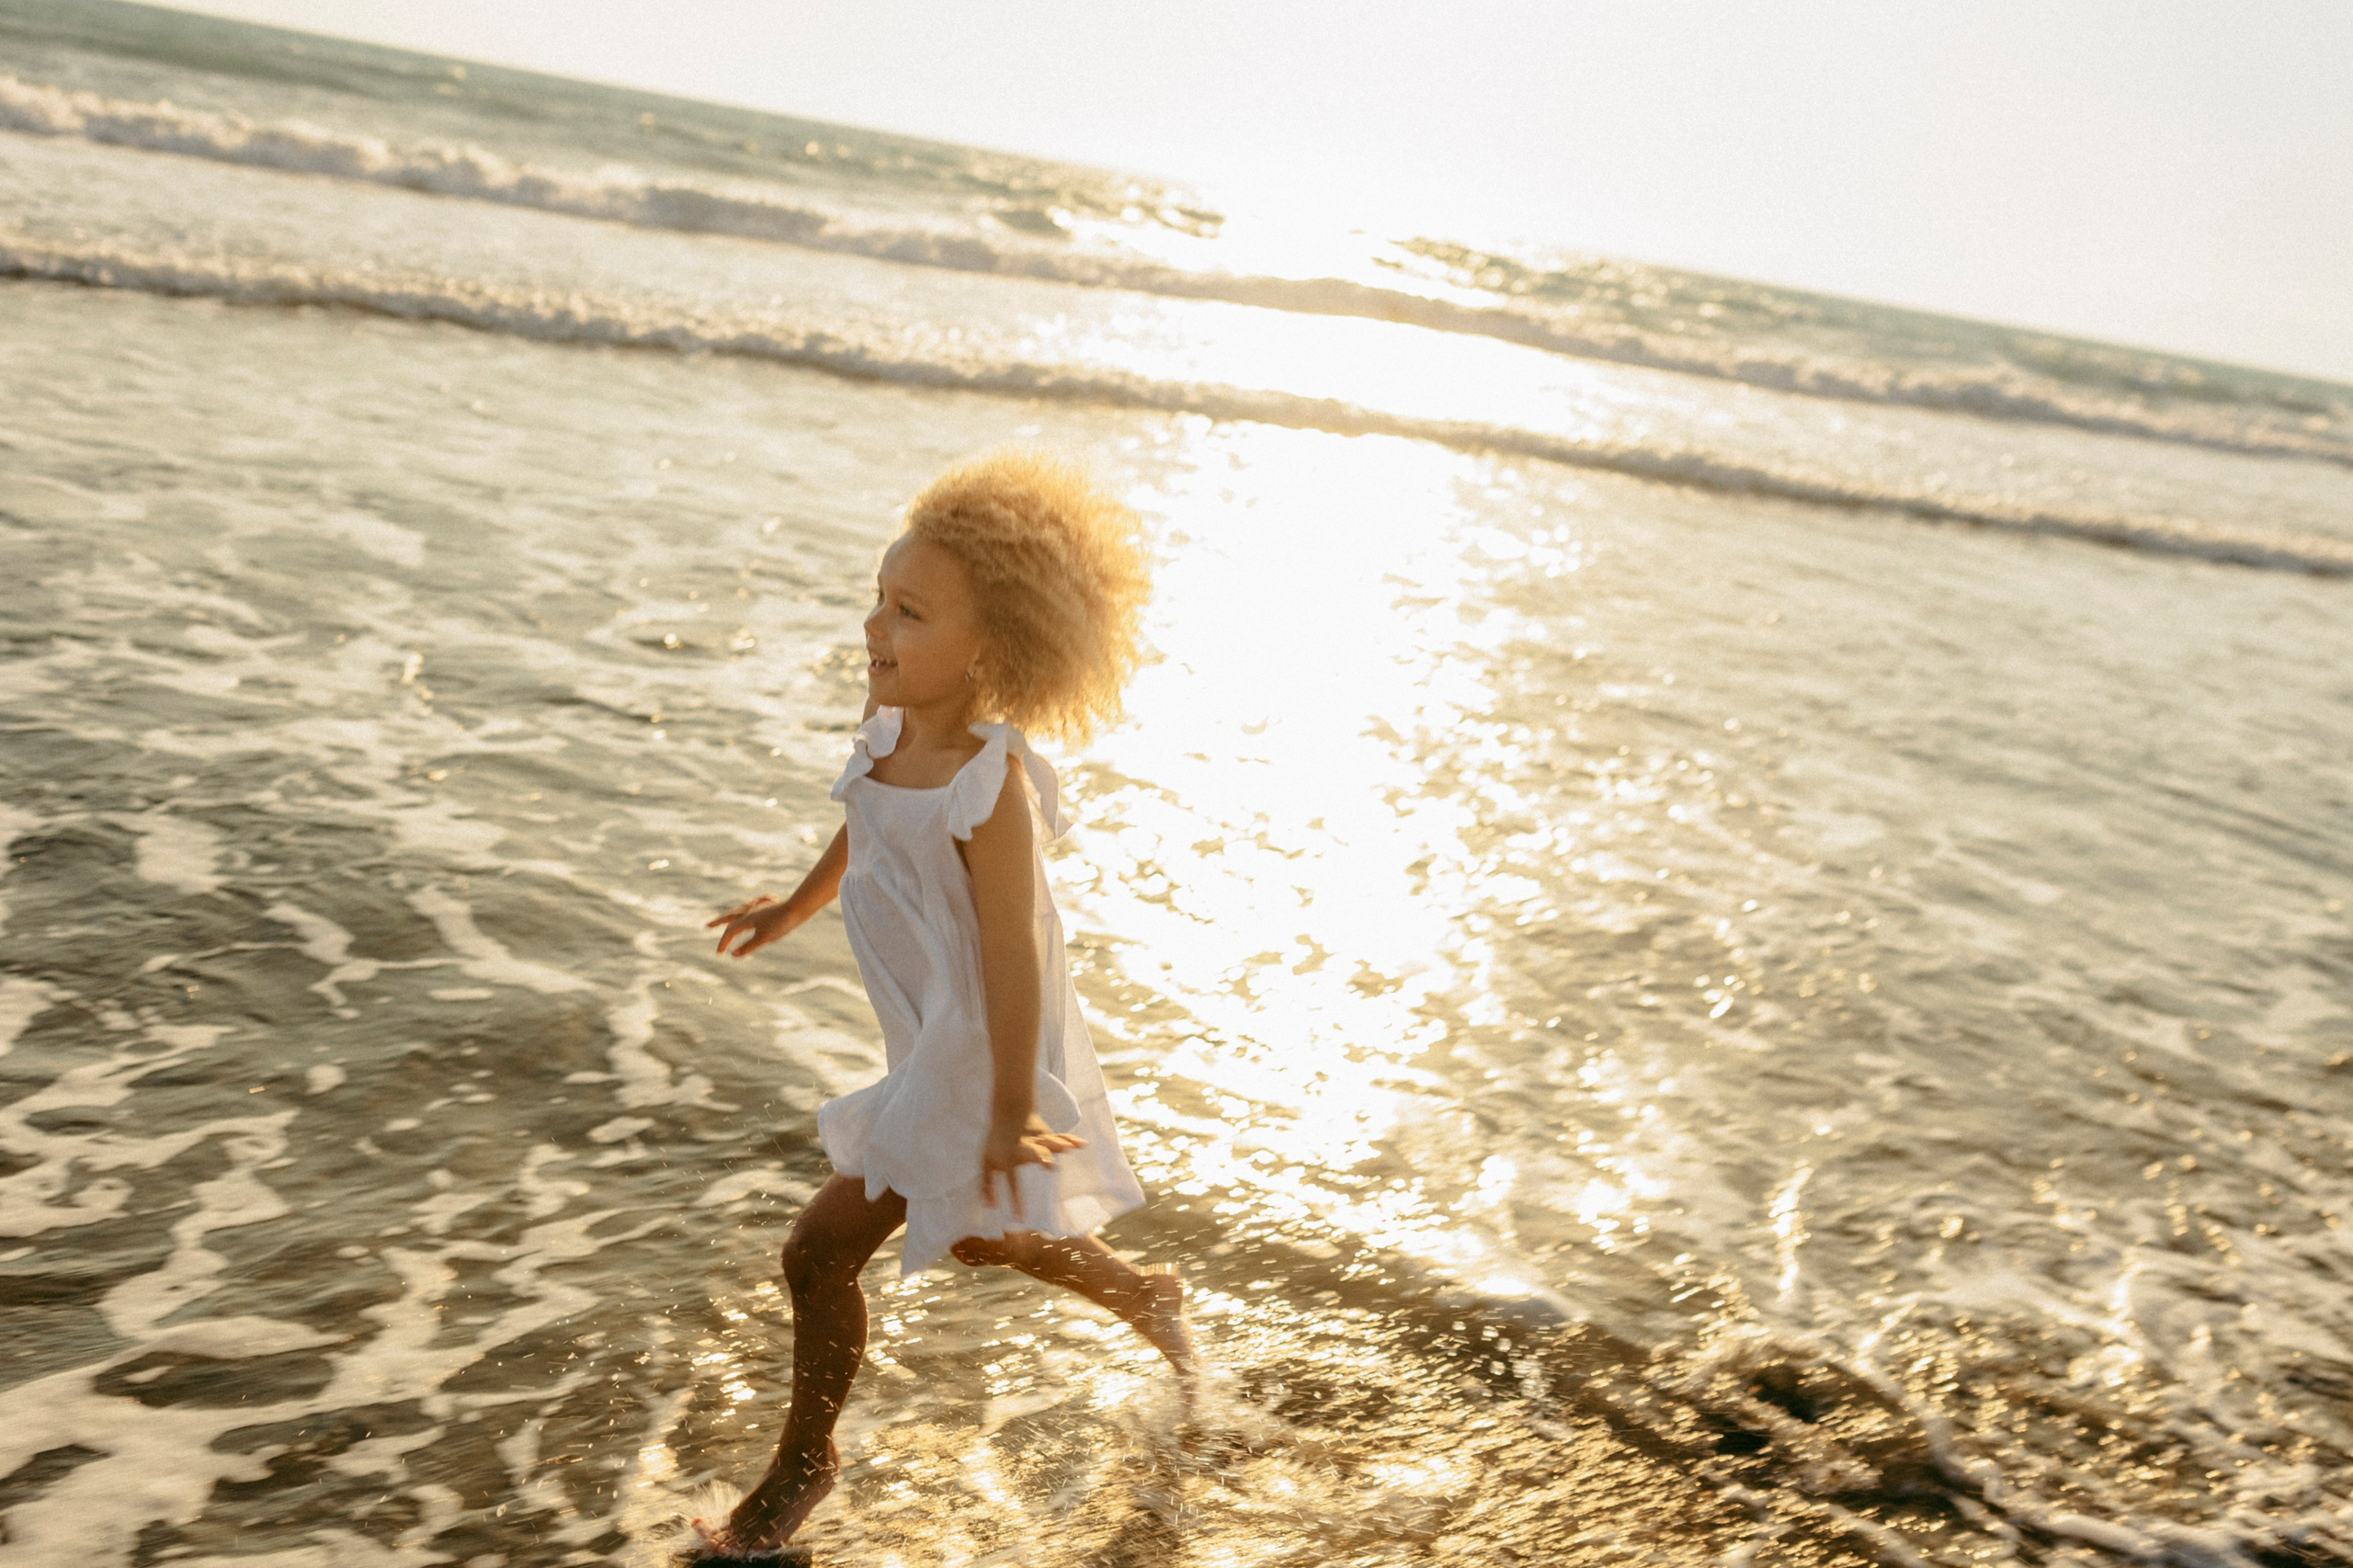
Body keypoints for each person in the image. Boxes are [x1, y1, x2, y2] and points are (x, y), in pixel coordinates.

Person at [692, 449, 1195, 1559]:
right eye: (878, 597)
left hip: (977, 1045)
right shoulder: (883, 734)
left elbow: (1013, 950)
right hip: (933, 1034)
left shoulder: (987, 783)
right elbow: (860, 822)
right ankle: (1144, 1294)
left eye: (910, 611)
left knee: (817, 1253)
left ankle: (800, 1468)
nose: (878, 624)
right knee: (981, 1239)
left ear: (990, 651)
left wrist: (1013, 1096)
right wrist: (792, 905)